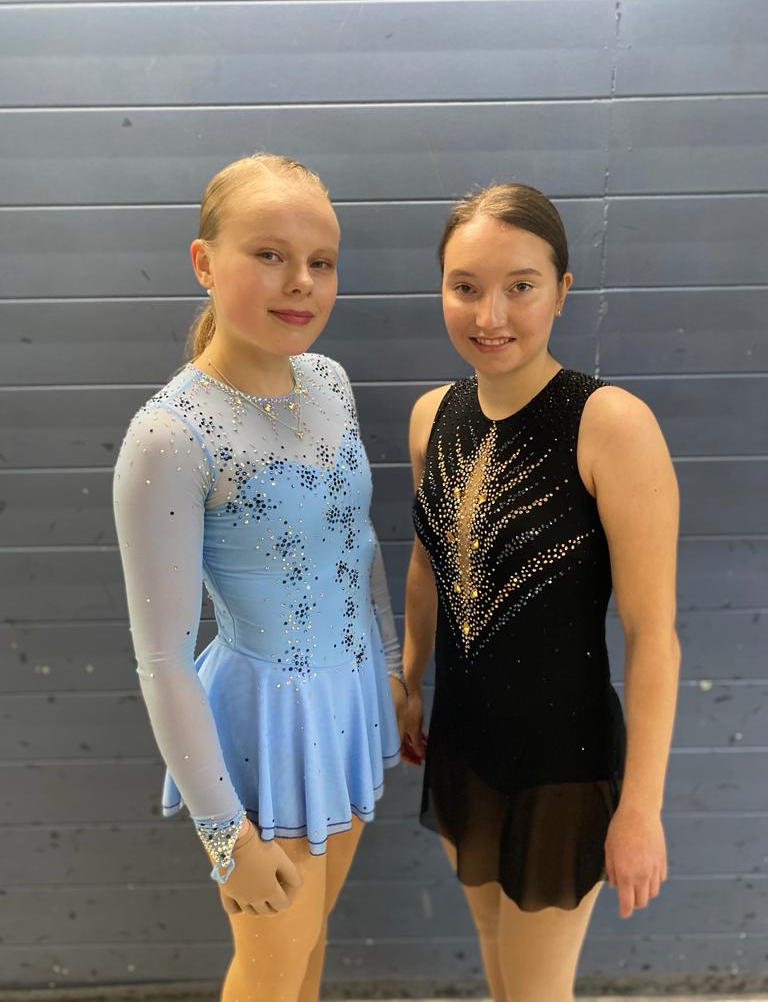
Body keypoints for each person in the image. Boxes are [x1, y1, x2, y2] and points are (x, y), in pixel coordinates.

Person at [113, 154, 406, 1002]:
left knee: (308, 950)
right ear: (204, 263)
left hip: (350, 704)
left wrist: (390, 670)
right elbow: (162, 659)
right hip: (269, 729)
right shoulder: (171, 437)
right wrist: (224, 833)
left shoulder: (328, 382)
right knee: (272, 974)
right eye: (270, 255)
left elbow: (358, 544)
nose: (301, 281)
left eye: (321, 261)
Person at [400, 183, 680, 1002]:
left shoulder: (610, 424)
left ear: (561, 290)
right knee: (498, 961)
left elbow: (654, 634)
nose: (490, 314)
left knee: (535, 992)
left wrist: (641, 809)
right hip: (462, 749)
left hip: (564, 767)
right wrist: (408, 677)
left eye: (519, 286)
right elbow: (426, 564)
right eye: (465, 287)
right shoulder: (431, 415)